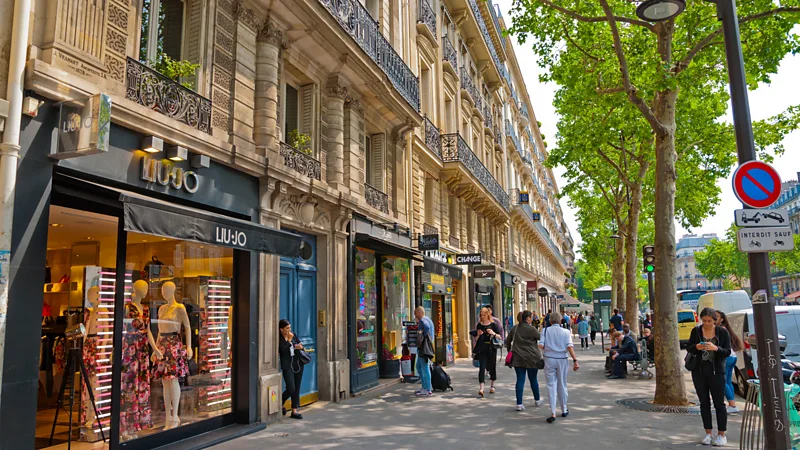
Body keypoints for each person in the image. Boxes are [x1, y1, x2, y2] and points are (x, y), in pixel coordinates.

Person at [687, 307, 731, 447]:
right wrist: (697, 347)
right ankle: (708, 433)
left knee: (719, 403)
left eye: (709, 321)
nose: (706, 323)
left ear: (715, 320)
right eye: (704, 321)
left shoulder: (722, 332)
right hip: (699, 371)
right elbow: (689, 347)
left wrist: (716, 348)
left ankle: (721, 434)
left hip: (717, 372)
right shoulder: (696, 331)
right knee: (704, 403)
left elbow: (727, 351)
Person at [539, 312, 580, 423]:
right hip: (562, 359)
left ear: (550, 321)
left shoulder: (545, 331)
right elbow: (569, 346)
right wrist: (575, 360)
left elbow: (541, 345)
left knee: (551, 385)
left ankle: (553, 412)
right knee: (562, 383)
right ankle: (564, 409)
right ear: (561, 321)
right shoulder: (566, 332)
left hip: (549, 358)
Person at [506, 310, 544, 411]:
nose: (532, 319)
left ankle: (519, 403)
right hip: (532, 358)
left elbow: (508, 341)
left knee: (520, 380)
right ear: (528, 318)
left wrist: (509, 350)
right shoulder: (532, 329)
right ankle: (537, 399)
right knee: (533, 379)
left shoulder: (515, 328)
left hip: (518, 358)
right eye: (531, 317)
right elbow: (541, 338)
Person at [716, 311, 743, 414]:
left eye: (716, 317)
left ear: (722, 319)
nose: (714, 319)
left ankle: (732, 404)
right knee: (727, 381)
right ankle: (733, 404)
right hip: (732, 356)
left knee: (722, 381)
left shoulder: (720, 329)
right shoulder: (725, 328)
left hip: (726, 358)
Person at [471, 306, 501, 397]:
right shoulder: (479, 325)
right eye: (481, 315)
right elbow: (476, 338)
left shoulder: (493, 324)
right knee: (482, 367)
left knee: (492, 367)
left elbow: (500, 337)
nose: (482, 317)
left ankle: (492, 385)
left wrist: (493, 333)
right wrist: (478, 335)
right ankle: (481, 388)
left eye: (484, 315)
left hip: (491, 348)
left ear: (488, 315)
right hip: (482, 348)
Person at [279, 319, 305, 419]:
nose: (289, 330)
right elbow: (283, 350)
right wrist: (289, 340)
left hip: (297, 364)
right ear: (281, 329)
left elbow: (302, 346)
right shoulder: (280, 338)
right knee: (291, 388)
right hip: (287, 365)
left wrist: (299, 347)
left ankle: (294, 411)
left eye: (290, 327)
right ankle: (280, 402)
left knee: (297, 388)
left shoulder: (293, 334)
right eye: (287, 328)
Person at [414, 306, 435, 397]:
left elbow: (426, 327)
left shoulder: (423, 321)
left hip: (424, 348)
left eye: (416, 314)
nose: (415, 317)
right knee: (419, 367)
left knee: (424, 367)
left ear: (419, 313)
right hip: (426, 347)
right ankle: (424, 387)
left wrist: (423, 336)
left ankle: (427, 389)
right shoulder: (428, 319)